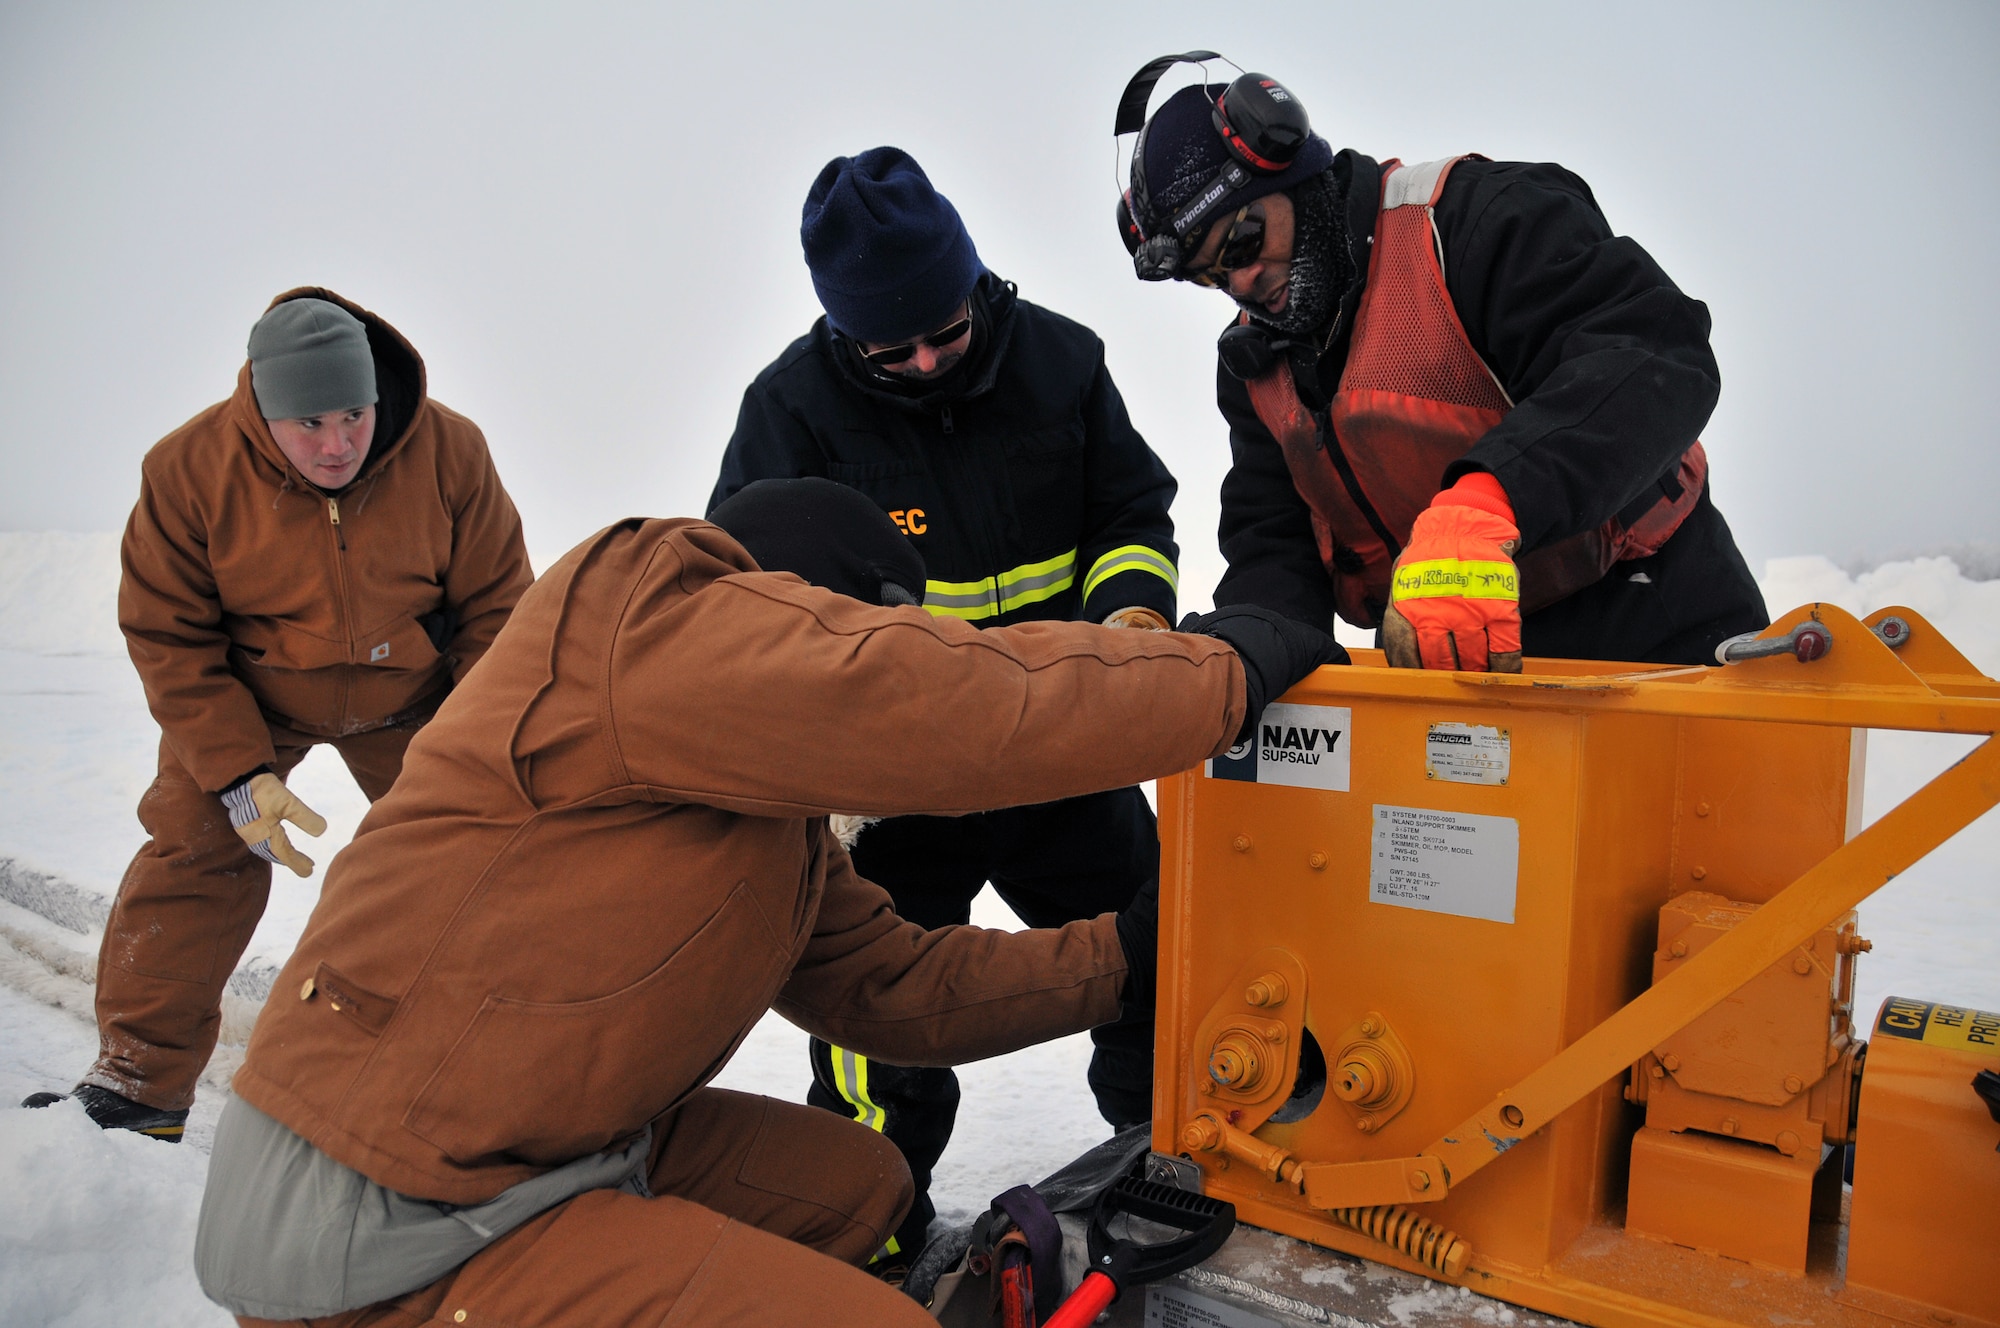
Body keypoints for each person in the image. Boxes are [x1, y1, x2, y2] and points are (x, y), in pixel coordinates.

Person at [190, 477, 1343, 1328]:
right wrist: (1223, 673)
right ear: (791, 617)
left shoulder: (767, 829)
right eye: (845, 628)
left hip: (549, 1152)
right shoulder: (645, 619)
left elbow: (900, 988)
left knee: (861, 1186)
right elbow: (942, 700)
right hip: (379, 1211)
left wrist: (1131, 953)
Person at [709, 146, 1183, 1261]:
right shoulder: (787, 411)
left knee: (1157, 950)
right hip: (894, 793)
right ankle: (875, 1229)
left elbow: (1131, 509)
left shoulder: (1062, 362)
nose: (923, 360)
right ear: (841, 331)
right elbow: (743, 598)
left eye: (945, 332)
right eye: (890, 346)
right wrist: (812, 772)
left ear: (973, 282)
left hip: (1059, 757)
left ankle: (1175, 1158)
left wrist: (1129, 622)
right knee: (882, 1027)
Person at [23, 289, 532, 1140]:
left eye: (353, 416)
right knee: (193, 850)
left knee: (488, 863)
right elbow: (167, 632)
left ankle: (493, 1089)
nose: (336, 445)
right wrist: (233, 772)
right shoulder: (187, 471)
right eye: (309, 424)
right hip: (254, 702)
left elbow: (499, 612)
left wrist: (472, 748)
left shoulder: (451, 452)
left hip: (415, 701)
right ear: (261, 408)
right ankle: (138, 1085)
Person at [1113, 54, 1768, 672]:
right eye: (1210, 278)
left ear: (1291, 169)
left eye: (1245, 240)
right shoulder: (1257, 365)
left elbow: (1651, 355)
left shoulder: (1477, 224)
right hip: (1447, 663)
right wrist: (1253, 651)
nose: (1244, 281)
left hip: (1655, 621)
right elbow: (1274, 544)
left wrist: (1488, 499)